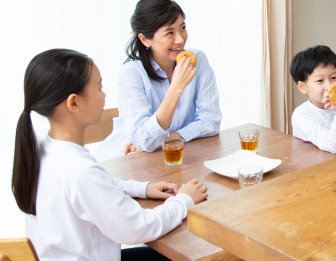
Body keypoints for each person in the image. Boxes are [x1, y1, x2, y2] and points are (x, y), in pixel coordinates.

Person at [12, 48, 208, 261]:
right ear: (74, 103)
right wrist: (184, 200)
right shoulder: (80, 171)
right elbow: (139, 227)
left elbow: (92, 189)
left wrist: (141, 188)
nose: (104, 95)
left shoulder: (43, 145)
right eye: (99, 88)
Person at [98, 0, 222, 159]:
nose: (180, 39)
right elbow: (143, 140)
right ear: (145, 39)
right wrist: (176, 87)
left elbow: (211, 120)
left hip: (176, 153)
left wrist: (171, 138)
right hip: (129, 158)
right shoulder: (132, 73)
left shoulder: (197, 59)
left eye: (183, 28)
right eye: (169, 33)